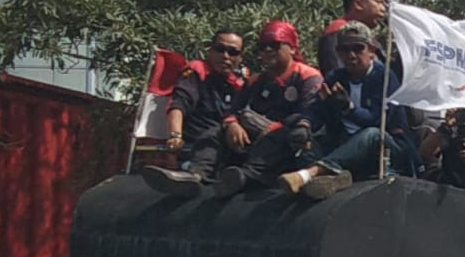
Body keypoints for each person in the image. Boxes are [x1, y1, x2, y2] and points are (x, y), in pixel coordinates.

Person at [148, 21, 322, 198]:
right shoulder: (254, 81)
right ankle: (196, 174)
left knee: (282, 136)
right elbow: (232, 111)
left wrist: (274, 128)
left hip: (290, 143)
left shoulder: (307, 77)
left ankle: (244, 177)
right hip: (252, 140)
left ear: (292, 48)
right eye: (263, 47)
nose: (268, 51)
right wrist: (232, 124)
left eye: (275, 45)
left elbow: (310, 115)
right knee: (217, 132)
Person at [278, 22, 417, 199]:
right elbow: (317, 110)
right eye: (344, 50)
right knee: (306, 142)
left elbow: (376, 120)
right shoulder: (336, 78)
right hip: (343, 145)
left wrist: (348, 107)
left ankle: (311, 174)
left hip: (384, 148)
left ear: (371, 51)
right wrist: (305, 125)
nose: (351, 55)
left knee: (372, 134)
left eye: (358, 48)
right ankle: (334, 179)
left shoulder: (385, 78)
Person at [160, 31, 245, 160]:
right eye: (220, 49)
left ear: (240, 58)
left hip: (228, 150)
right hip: (196, 147)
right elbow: (178, 104)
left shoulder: (240, 83)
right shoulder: (198, 73)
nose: (225, 56)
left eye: (233, 52)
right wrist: (175, 136)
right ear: (210, 51)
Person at [318, 0, 389, 77]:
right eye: (378, 1)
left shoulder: (368, 36)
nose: (383, 9)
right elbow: (338, 76)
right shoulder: (338, 32)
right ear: (358, 4)